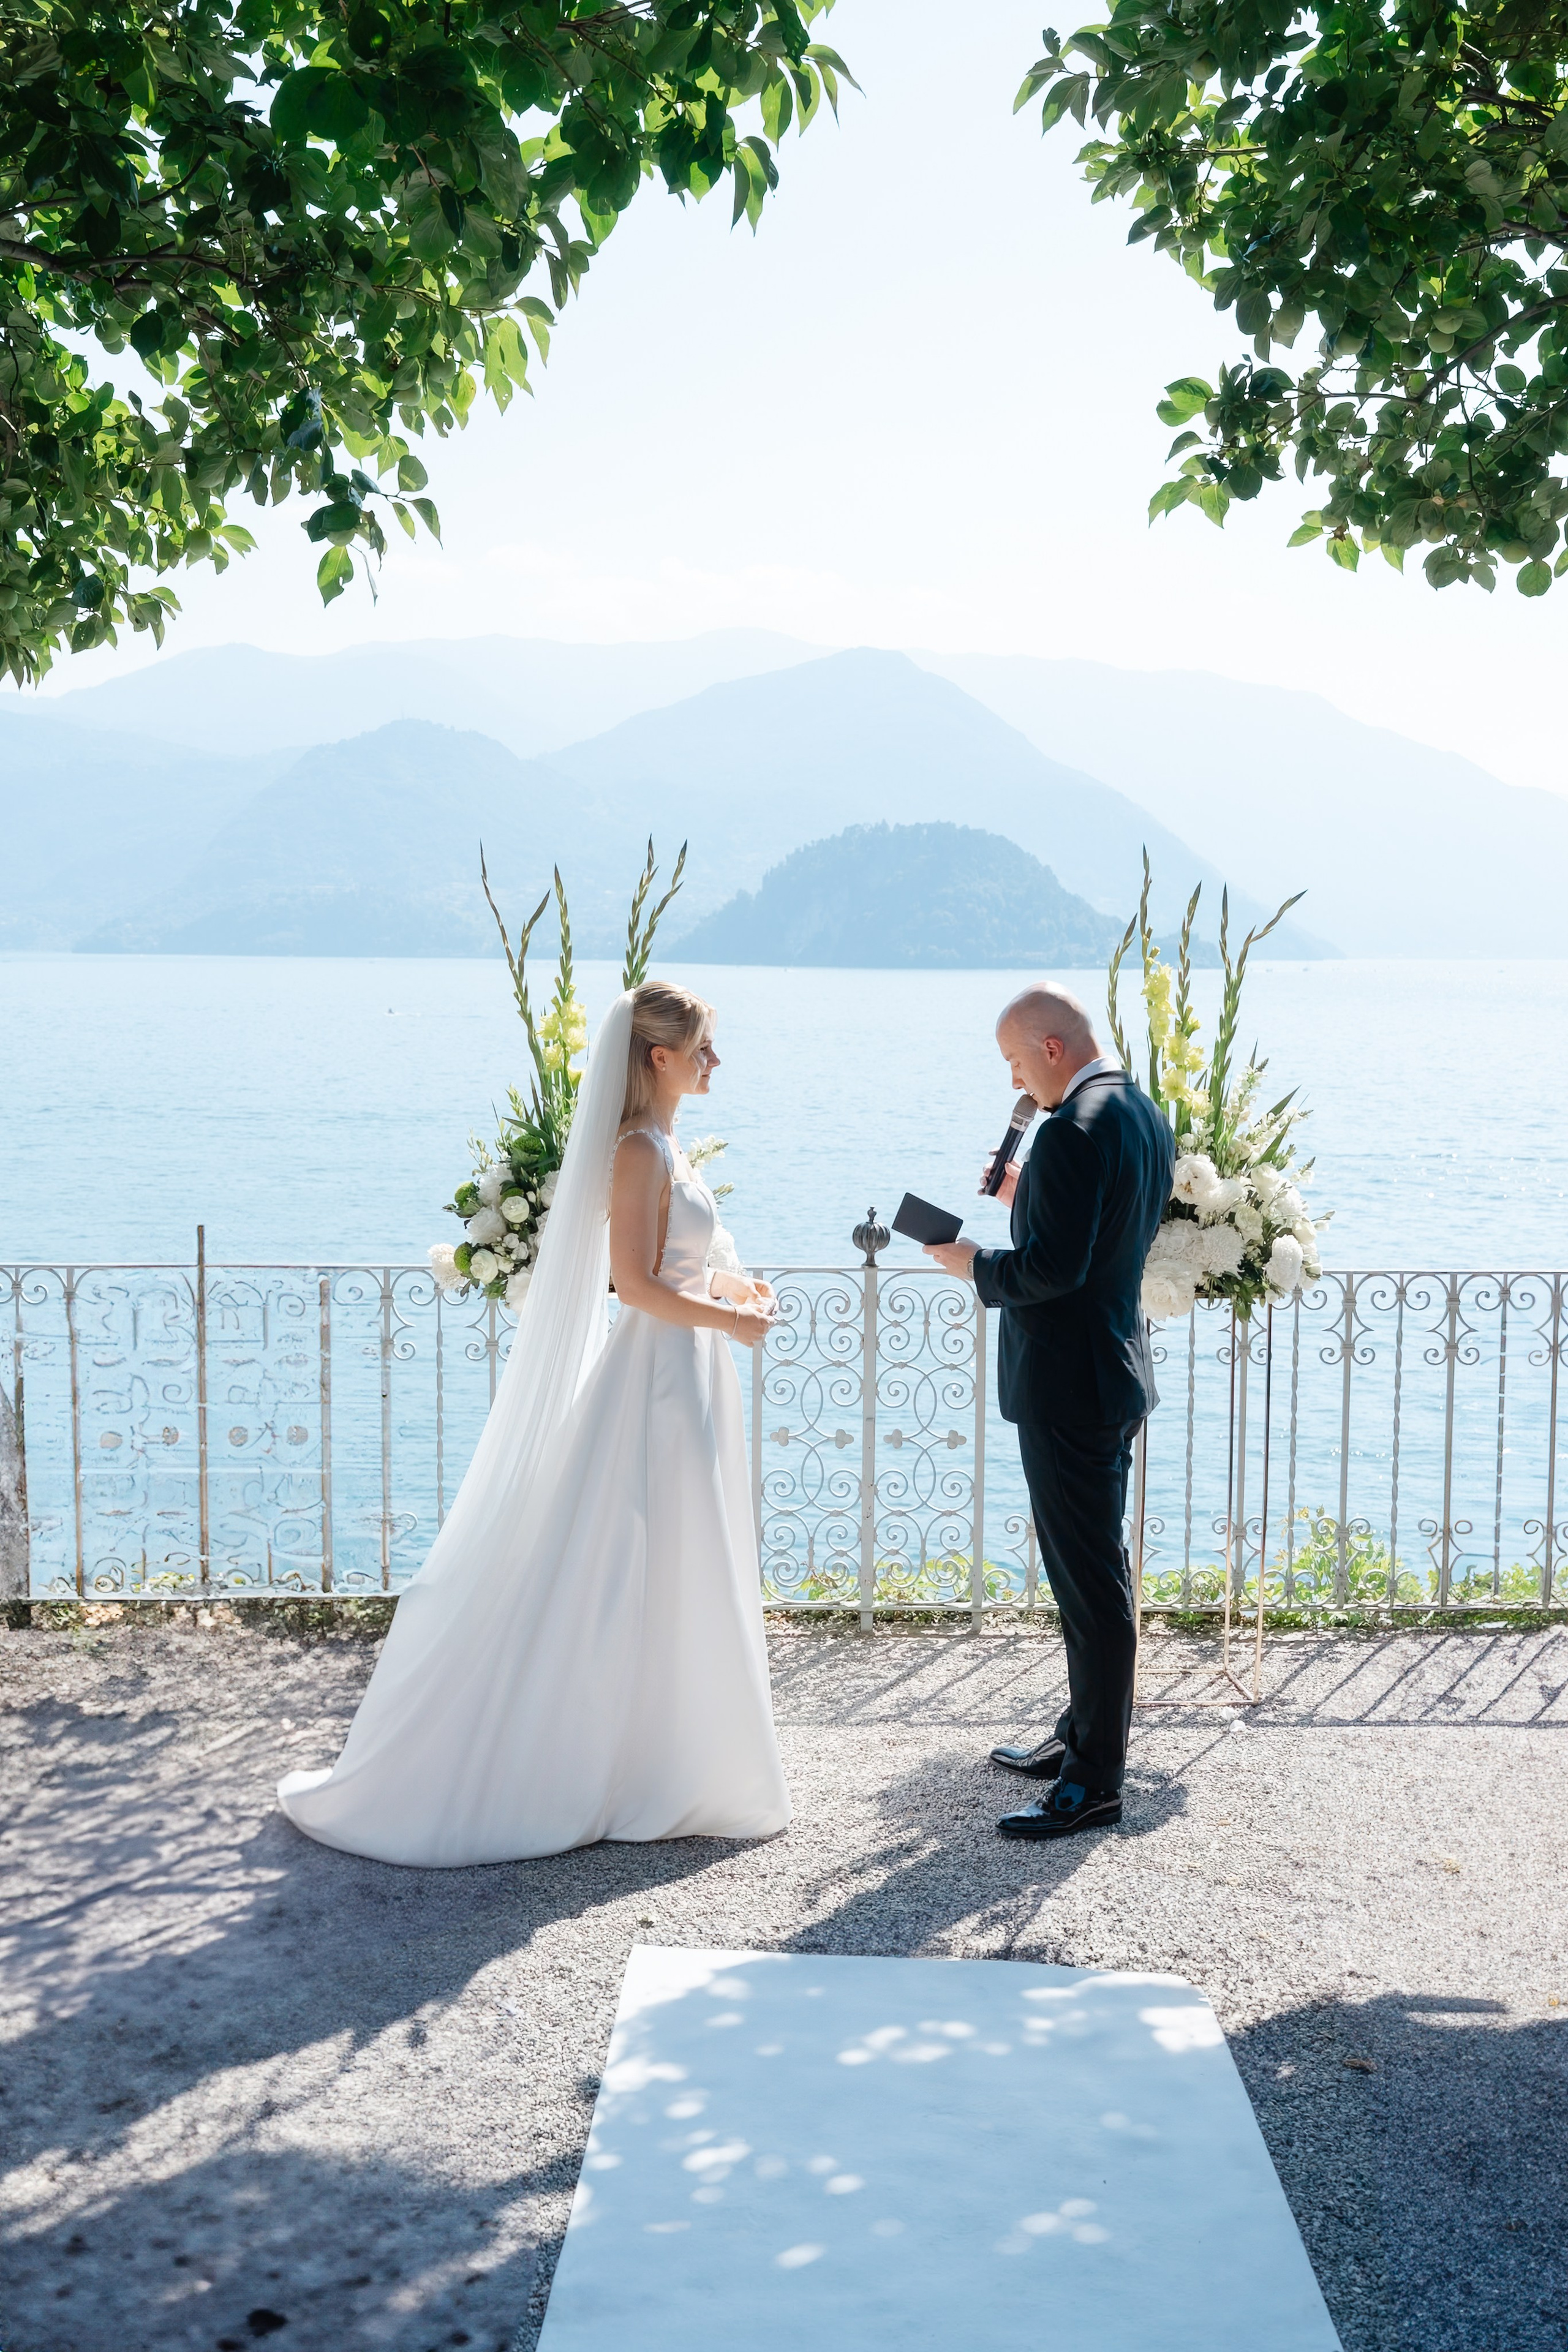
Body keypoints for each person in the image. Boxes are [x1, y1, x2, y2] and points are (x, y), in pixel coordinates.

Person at [277, 982, 791, 1865]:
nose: (717, 1062)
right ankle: (602, 1761)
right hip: (658, 1377)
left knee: (685, 1555)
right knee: (626, 1557)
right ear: (659, 1057)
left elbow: (682, 1260)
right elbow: (633, 1287)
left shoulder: (671, 1146)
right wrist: (732, 1324)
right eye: (705, 1047)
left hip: (691, 1370)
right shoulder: (637, 1150)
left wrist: (735, 1289)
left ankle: (678, 1757)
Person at [924, 984, 1173, 1841]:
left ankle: (1096, 1781)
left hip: (1071, 1386)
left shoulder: (1071, 1128)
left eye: (1016, 1061)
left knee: (1092, 1586)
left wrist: (971, 1263)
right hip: (1109, 1372)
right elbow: (1101, 1239)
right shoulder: (1138, 1110)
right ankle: (1078, 1738)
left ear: (1053, 1049)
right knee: (1087, 1576)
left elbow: (1048, 1273)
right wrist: (1024, 1197)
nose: (1016, 1079)